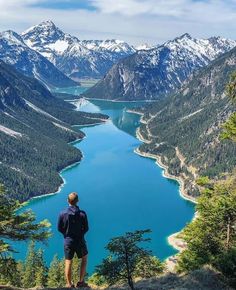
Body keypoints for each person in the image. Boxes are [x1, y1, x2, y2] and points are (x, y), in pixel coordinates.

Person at [58, 192, 89, 288]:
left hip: (68, 241)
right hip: (80, 241)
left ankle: (69, 284)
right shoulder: (82, 214)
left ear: (68, 201)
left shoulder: (62, 213)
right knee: (84, 259)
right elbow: (86, 228)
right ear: (77, 201)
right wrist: (80, 235)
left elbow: (59, 228)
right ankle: (80, 282)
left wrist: (66, 235)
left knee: (68, 261)